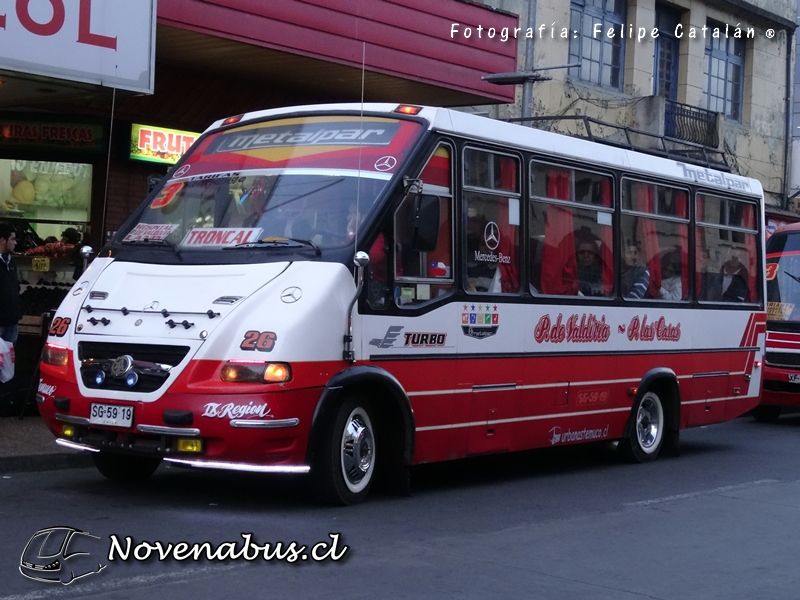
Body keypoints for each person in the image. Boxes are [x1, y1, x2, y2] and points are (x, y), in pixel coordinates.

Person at [0, 224, 21, 344]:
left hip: (11, 321)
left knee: (8, 357)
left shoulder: (11, 263)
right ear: (3, 240)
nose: (15, 243)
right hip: (1, 321)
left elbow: (15, 288)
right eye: (12, 239)